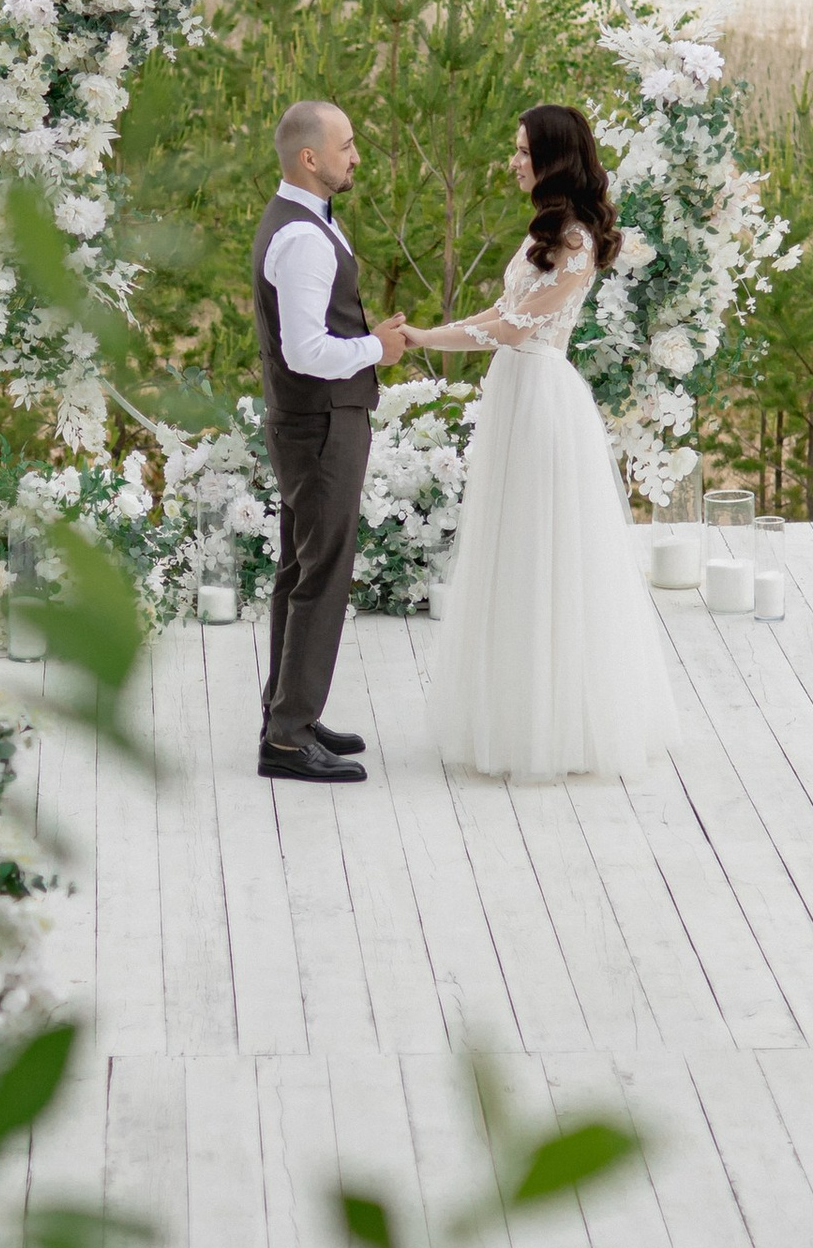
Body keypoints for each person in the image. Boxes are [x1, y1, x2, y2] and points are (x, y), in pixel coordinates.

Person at [411, 104, 672, 781]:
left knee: (544, 551)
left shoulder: (579, 243)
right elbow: (498, 314)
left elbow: (512, 329)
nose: (513, 161)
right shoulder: (545, 235)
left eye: (524, 151)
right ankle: (508, 708)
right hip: (512, 395)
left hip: (542, 402)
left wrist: (422, 339)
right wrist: (428, 334)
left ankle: (556, 722)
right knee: (507, 547)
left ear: (554, 159)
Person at [252, 99, 412, 787]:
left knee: (299, 570)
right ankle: (287, 739)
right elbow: (307, 350)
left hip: (311, 422)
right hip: (321, 425)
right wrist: (381, 348)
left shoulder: (301, 221)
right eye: (347, 146)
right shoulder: (303, 239)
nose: (357, 157)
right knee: (322, 575)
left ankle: (289, 715)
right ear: (309, 159)